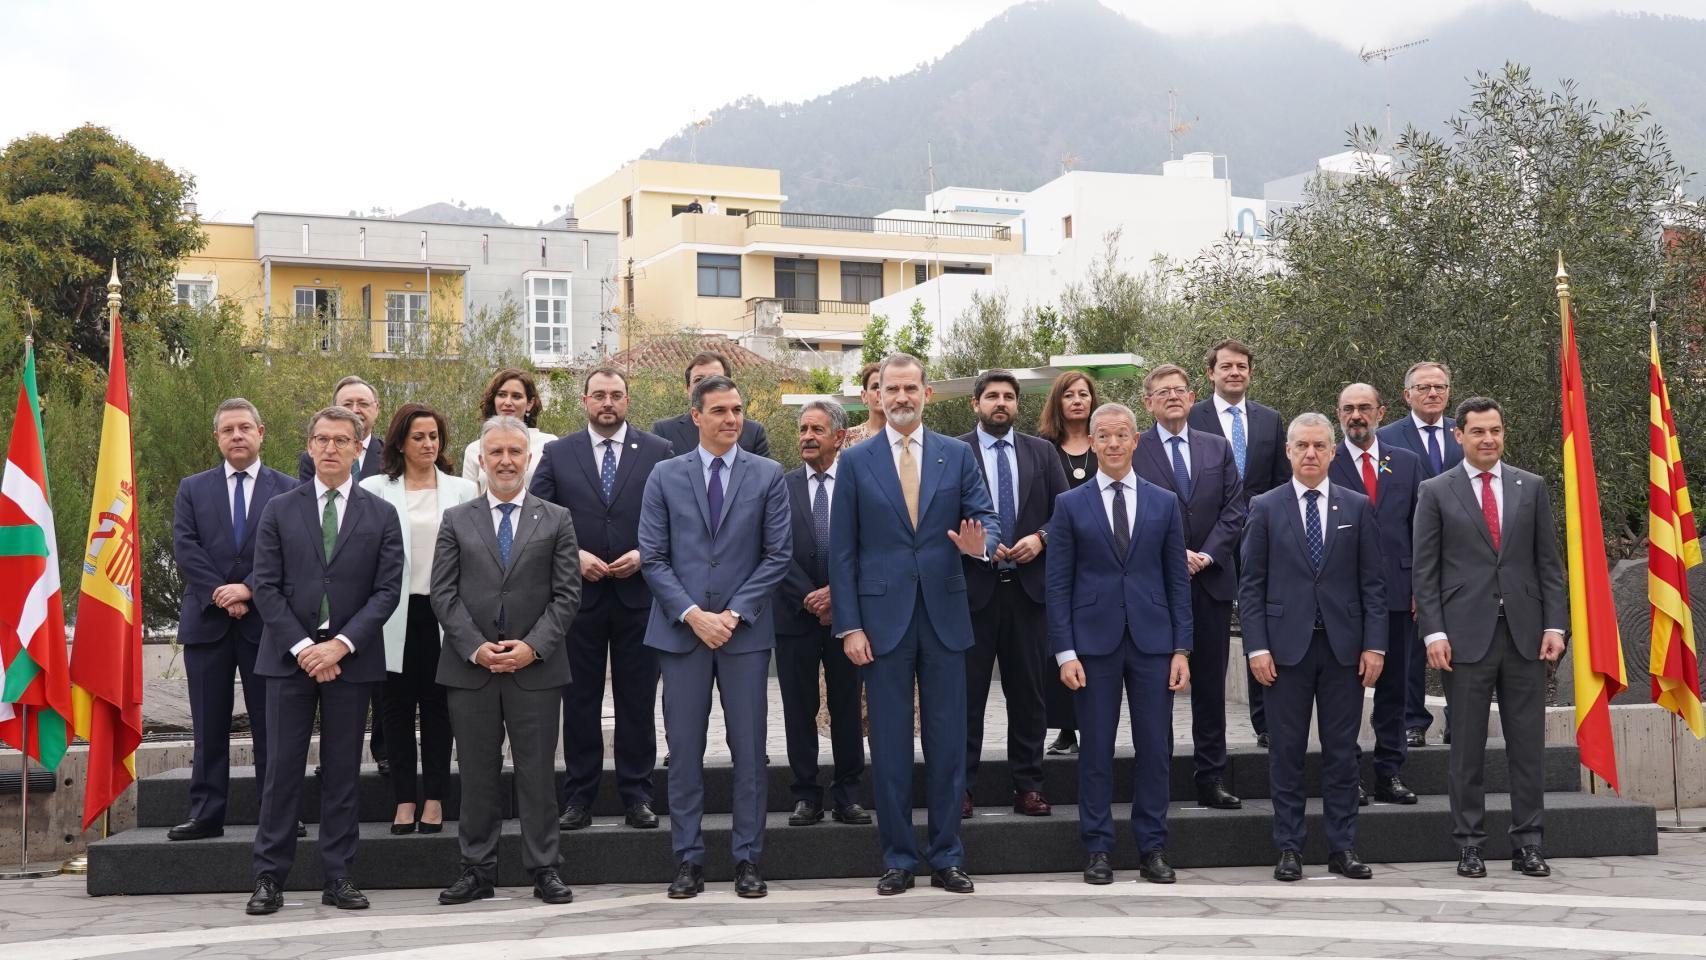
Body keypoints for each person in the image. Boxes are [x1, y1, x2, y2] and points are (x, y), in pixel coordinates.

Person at [831, 353, 997, 897]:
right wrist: (849, 626)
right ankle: (899, 858)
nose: (900, 397)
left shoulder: (957, 455)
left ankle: (948, 855)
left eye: (910, 388)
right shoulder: (854, 462)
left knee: (949, 744)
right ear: (876, 395)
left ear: (927, 393)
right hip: (880, 624)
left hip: (946, 618)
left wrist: (983, 546)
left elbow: (986, 519)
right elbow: (843, 553)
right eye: (890, 389)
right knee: (891, 745)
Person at [639, 375, 792, 899]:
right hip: (681, 635)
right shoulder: (663, 475)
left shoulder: (768, 474)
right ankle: (688, 859)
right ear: (696, 416)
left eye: (738, 409)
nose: (732, 419)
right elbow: (653, 557)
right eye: (721, 411)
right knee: (684, 750)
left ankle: (748, 859)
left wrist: (732, 614)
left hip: (743, 636)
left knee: (749, 750)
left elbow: (777, 555)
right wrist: (691, 614)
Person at [247, 406, 403, 915]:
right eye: (322, 439)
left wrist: (340, 645)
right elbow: (265, 587)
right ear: (309, 446)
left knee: (342, 772)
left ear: (360, 449)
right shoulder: (279, 509)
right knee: (281, 772)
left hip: (350, 661)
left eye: (342, 440)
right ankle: (269, 878)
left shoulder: (381, 513)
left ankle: (338, 876)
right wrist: (303, 648)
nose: (331, 448)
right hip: (288, 659)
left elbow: (387, 591)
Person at [1413, 396, 1566, 880]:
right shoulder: (1436, 491)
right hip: (1463, 639)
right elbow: (1426, 571)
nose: (1489, 439)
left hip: (1524, 637)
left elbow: (1549, 565)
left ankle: (1529, 844)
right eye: (1478, 431)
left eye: (1495, 430)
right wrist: (1433, 631)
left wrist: (1554, 626)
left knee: (1527, 748)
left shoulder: (1532, 486)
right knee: (1466, 751)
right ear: (1459, 436)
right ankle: (1470, 845)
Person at [433, 416, 582, 905]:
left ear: (529, 458)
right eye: (495, 452)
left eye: (514, 452)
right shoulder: (457, 519)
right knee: (476, 774)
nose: (505, 461)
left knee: (537, 774)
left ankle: (544, 869)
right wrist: (475, 647)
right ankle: (477, 869)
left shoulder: (556, 518)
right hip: (470, 669)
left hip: (535, 669)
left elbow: (566, 596)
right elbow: (443, 593)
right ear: (481, 458)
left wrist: (531, 647)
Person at [1047, 402, 1193, 885]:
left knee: (1156, 749)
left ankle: (1153, 848)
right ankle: (1098, 849)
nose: (1112, 444)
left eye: (1121, 435)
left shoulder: (1164, 502)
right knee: (1095, 752)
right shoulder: (1070, 504)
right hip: (1092, 646)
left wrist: (1181, 649)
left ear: (1136, 441)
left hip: (1154, 644)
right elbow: (1058, 584)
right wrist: (1065, 651)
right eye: (1103, 436)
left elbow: (1177, 581)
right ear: (1091, 443)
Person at [1239, 412, 1385, 883]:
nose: (1310, 454)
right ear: (1288, 451)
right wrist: (1255, 647)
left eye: (1320, 446)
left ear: (1333, 452)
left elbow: (1373, 586)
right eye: (1301, 445)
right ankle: (1289, 847)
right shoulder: (1264, 506)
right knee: (1286, 753)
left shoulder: (1357, 506)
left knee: (1343, 753)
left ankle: (1343, 847)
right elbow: (1252, 585)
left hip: (1344, 652)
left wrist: (1375, 647)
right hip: (1284, 653)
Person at [531, 367, 673, 832]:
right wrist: (574, 557)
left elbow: (675, 519)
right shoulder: (558, 452)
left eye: (616, 395)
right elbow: (539, 518)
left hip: (639, 597)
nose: (607, 403)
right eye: (599, 395)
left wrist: (644, 554)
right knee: (581, 701)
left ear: (628, 400)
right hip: (580, 598)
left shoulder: (658, 452)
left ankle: (637, 795)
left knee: (637, 701)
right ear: (584, 400)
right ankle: (579, 797)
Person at [168, 399, 296, 842]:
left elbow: (294, 552)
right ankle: (205, 814)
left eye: (245, 428)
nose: (237, 436)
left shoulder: (289, 489)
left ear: (263, 432)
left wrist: (251, 590)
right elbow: (186, 547)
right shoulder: (193, 488)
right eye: (228, 430)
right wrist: (222, 594)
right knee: (208, 724)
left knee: (272, 724)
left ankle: (277, 813)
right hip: (207, 621)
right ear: (217, 438)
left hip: (268, 627)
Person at [1131, 364, 1245, 810]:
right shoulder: (1135, 450)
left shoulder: (1217, 447)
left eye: (1179, 391)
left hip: (1211, 582)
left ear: (1193, 395)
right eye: (1163, 392)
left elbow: (1235, 508)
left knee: (1211, 687)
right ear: (1148, 402)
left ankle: (1210, 776)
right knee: (1159, 685)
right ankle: (1158, 777)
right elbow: (1133, 511)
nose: (1172, 397)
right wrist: (1175, 552)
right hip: (1157, 586)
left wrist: (1208, 554)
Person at [360, 404, 478, 835]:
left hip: (443, 613)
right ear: (400, 443)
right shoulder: (374, 488)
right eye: (418, 437)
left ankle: (434, 800)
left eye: (434, 436)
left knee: (437, 709)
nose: (428, 444)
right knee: (394, 710)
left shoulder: (463, 490)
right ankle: (403, 801)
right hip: (391, 613)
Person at [958, 369, 1067, 818]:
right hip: (972, 593)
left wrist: (1040, 537)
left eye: (1007, 397)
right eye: (991, 397)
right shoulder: (953, 452)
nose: (999, 403)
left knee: (1029, 696)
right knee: (966, 697)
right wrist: (976, 544)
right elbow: (938, 514)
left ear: (1018, 405)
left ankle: (1028, 785)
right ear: (976, 404)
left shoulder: (1042, 452)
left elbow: (1066, 512)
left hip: (1028, 592)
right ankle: (961, 787)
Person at [1187, 339, 1289, 747]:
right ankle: (1204, 733)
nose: (1234, 372)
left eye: (1241, 366)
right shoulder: (1191, 417)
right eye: (1226, 366)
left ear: (1250, 372)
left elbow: (1282, 479)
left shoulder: (1270, 420)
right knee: (1204, 636)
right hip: (1207, 541)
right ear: (1211, 373)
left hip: (1261, 540)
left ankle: (1265, 723)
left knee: (1261, 626)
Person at [774, 399, 869, 827]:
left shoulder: (860, 482)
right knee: (799, 706)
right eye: (803, 429)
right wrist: (810, 596)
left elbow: (871, 545)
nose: (807, 437)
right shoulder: (780, 484)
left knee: (848, 706)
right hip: (795, 616)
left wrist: (838, 595)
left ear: (840, 437)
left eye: (817, 430)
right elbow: (772, 548)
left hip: (847, 617)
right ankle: (806, 795)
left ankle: (848, 794)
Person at [1331, 384, 1422, 805]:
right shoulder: (1325, 463)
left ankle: (1389, 772)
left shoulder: (1405, 462)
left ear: (1381, 412)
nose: (1356, 415)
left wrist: (1421, 587)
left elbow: (1421, 529)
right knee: (1345, 691)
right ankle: (1351, 774)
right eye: (1348, 409)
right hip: (1343, 598)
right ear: (1338, 414)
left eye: (1364, 407)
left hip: (1397, 592)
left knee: (1395, 689)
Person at [295, 375, 389, 773]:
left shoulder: (391, 455)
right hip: (317, 609)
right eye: (347, 402)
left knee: (382, 693)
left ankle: (385, 753)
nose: (356, 409)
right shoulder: (313, 461)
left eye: (363, 403)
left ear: (375, 411)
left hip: (369, 599)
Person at [1377, 360, 1464, 748]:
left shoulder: (1465, 434)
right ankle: (1413, 721)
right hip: (1410, 559)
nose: (1433, 393)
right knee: (1411, 648)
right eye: (1424, 387)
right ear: (1406, 393)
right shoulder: (1386, 439)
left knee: (1464, 642)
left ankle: (1460, 718)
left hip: (1463, 558)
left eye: (1440, 387)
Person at [1037, 370, 1100, 756]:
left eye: (1084, 394)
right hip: (1056, 560)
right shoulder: (1043, 448)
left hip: (1100, 561)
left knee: (1094, 644)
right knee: (1058, 643)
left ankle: (1092, 720)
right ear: (1057, 403)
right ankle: (1065, 729)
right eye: (1069, 395)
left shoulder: (1107, 444)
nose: (1077, 401)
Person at [649, 351, 772, 458]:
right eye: (699, 380)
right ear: (688, 389)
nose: (706, 385)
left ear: (728, 385)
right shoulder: (665, 431)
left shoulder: (753, 432)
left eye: (715, 379)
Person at [461, 368, 553, 494]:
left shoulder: (549, 445)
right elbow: (468, 499)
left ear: (529, 403)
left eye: (516, 396)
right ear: (494, 400)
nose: (508, 402)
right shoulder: (474, 449)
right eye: (502, 395)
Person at [841, 362, 886, 447]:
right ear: (864, 396)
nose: (880, 392)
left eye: (887, 387)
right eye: (875, 387)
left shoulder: (906, 436)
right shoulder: (848, 437)